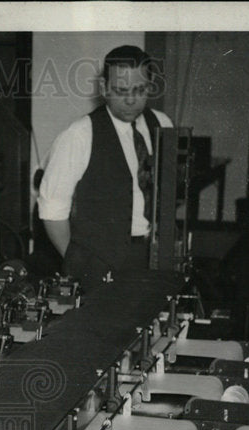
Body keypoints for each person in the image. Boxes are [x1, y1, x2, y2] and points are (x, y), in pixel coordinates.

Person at [37, 45, 172, 287]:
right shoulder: (79, 135)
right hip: (98, 264)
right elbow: (52, 210)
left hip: (151, 256)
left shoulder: (162, 124)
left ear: (150, 86)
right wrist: (78, 263)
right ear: (103, 88)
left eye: (139, 90)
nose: (130, 100)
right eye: (121, 91)